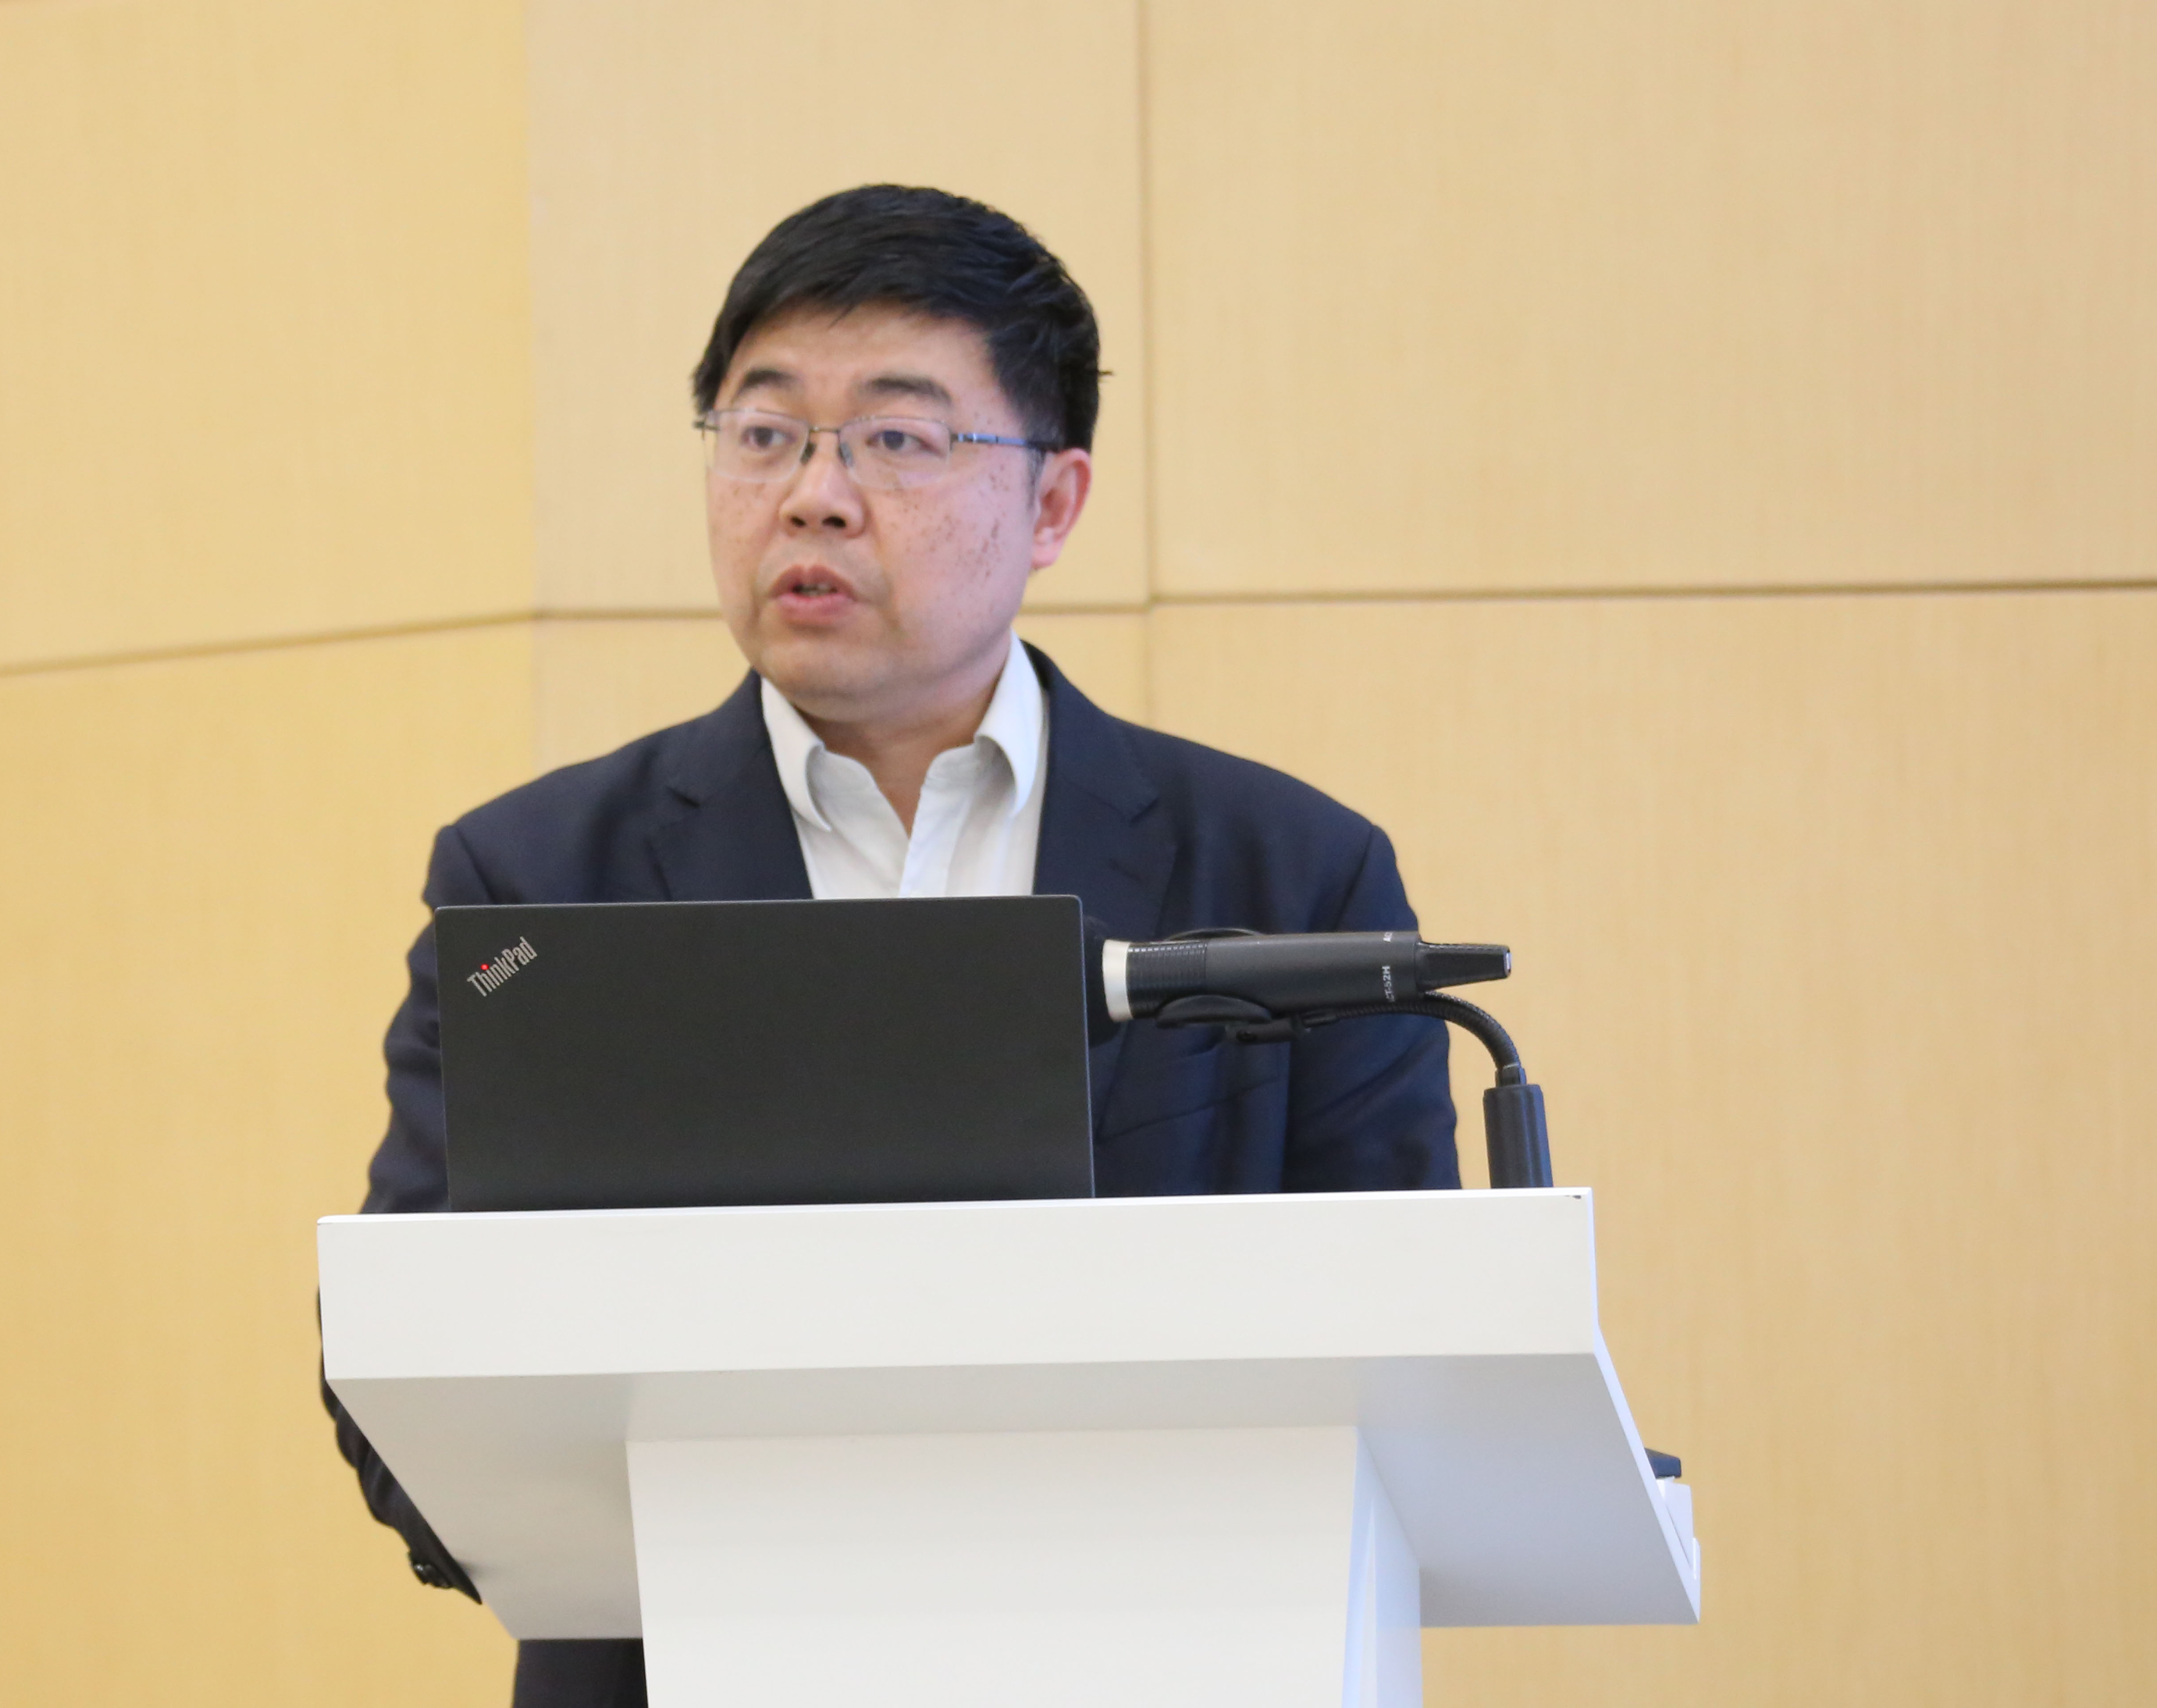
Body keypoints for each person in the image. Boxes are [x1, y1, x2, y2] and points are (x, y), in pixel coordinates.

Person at [326, 184, 1458, 1708]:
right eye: (763, 432)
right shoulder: (536, 888)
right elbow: (409, 1368)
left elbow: (1407, 1365)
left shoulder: (1289, 876)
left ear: (1053, 504)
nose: (814, 495)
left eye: (898, 439)